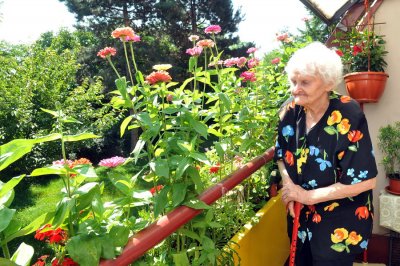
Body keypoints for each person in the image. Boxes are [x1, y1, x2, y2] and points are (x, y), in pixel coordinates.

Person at [274, 42, 377, 266]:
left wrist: (307, 197)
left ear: (327, 82)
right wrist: (290, 189)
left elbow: (366, 181)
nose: (295, 89)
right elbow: (281, 155)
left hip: (340, 222)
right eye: (293, 82)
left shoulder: (348, 114)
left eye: (305, 82)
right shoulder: (290, 111)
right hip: (301, 219)